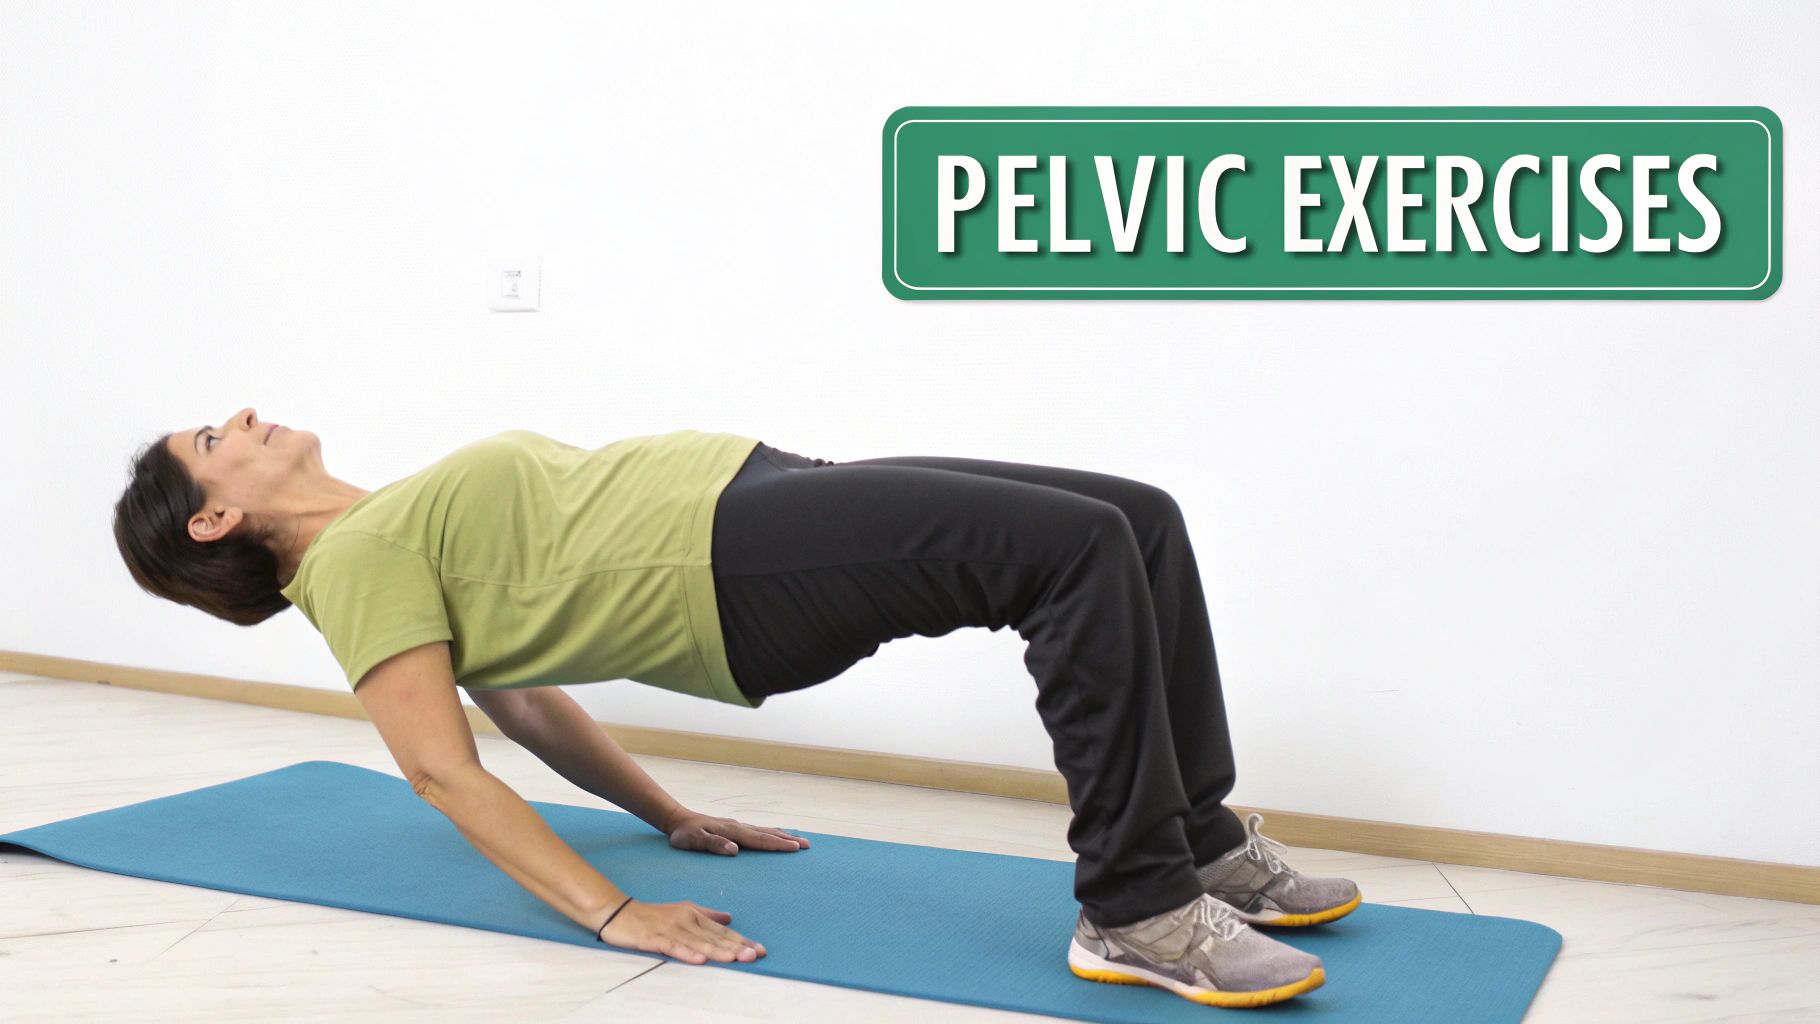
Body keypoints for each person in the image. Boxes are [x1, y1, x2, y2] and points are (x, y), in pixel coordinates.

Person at [113, 408, 1360, 1009]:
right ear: (214, 516)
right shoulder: (349, 567)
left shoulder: (379, 525)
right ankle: (1136, 904)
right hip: (726, 567)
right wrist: (611, 911)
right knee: (1075, 553)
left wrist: (665, 811)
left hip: (751, 499)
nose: (241, 418)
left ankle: (1194, 838)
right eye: (212, 440)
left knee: (1133, 515)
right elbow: (444, 765)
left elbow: (523, 701)